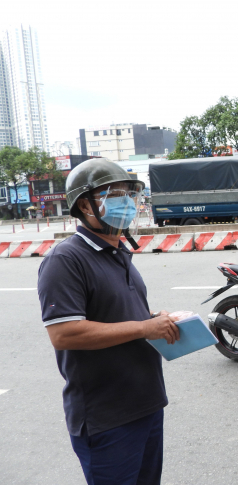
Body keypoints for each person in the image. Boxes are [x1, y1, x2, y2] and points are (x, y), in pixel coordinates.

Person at [37, 159, 178, 485]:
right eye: (115, 194)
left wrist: (153, 319)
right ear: (85, 204)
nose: (127, 203)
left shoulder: (118, 253)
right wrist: (144, 328)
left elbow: (117, 315)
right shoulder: (66, 259)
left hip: (146, 404)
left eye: (130, 194)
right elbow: (64, 332)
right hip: (107, 418)